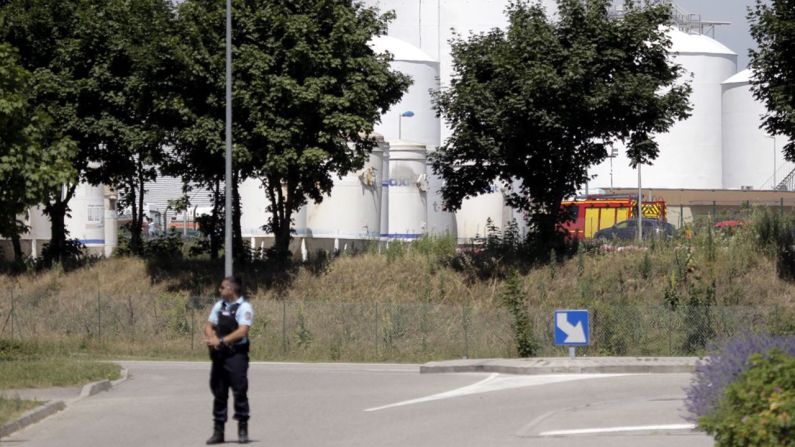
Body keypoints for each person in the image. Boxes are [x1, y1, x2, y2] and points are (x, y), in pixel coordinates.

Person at [204, 276, 254, 444]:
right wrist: (211, 338)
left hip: (236, 355)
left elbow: (242, 331)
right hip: (219, 356)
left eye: (222, 287)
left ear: (231, 289)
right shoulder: (219, 306)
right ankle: (218, 431)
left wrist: (222, 341)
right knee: (219, 392)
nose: (220, 290)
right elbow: (209, 325)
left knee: (239, 391)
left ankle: (242, 429)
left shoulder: (244, 307)